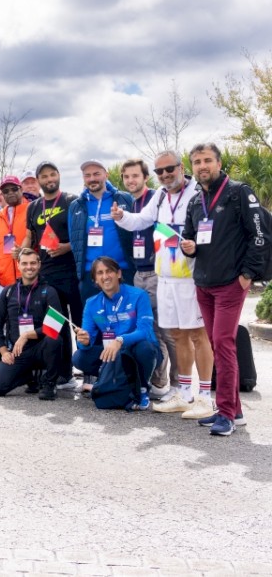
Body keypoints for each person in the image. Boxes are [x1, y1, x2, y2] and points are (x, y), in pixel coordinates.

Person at [113, 151, 212, 417]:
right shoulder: (159, 195)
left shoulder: (198, 192)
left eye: (170, 169)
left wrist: (197, 245)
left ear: (181, 167)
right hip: (166, 275)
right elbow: (141, 221)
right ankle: (184, 391)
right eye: (160, 171)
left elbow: (211, 229)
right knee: (177, 334)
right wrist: (121, 215)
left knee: (197, 335)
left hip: (191, 275)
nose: (166, 175)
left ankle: (204, 395)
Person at [180, 142, 264, 436]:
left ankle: (226, 414)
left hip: (231, 283)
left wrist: (248, 274)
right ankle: (235, 410)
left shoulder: (239, 192)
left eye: (207, 160)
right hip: (203, 284)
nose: (202, 166)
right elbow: (188, 238)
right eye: (197, 162)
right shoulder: (194, 202)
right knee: (218, 345)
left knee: (223, 344)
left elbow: (260, 234)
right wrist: (187, 247)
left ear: (218, 162)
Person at [113, 157, 176, 399]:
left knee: (164, 330)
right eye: (126, 177)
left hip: (158, 271)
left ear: (145, 177)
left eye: (135, 176)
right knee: (148, 328)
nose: (131, 180)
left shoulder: (155, 199)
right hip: (139, 273)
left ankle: (170, 385)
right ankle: (155, 380)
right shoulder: (131, 203)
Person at [72, 257, 160, 410]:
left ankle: (143, 388)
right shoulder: (92, 303)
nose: (105, 276)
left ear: (118, 273)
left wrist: (120, 340)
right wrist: (83, 341)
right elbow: (87, 339)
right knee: (79, 357)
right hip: (112, 352)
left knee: (145, 349)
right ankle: (111, 380)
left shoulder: (139, 295)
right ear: (95, 279)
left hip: (135, 349)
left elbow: (145, 331)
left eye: (109, 271)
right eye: (100, 273)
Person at [22, 161, 80, 390]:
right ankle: (64, 374)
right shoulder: (33, 207)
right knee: (56, 325)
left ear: (59, 175)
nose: (49, 179)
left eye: (52, 174)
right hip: (47, 274)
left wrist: (66, 247)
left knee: (79, 322)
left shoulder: (71, 200)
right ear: (38, 181)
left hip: (71, 271)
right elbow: (30, 236)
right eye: (44, 176)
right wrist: (23, 250)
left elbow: (82, 235)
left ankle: (91, 372)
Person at [0, 249, 64, 400]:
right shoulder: (8, 292)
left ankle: (49, 383)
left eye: (33, 263)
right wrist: (4, 352)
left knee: (54, 338)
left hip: (41, 348)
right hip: (18, 351)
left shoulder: (49, 291)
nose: (29, 267)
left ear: (39, 265)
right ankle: (29, 377)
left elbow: (56, 325)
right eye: (25, 263)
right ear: (18, 265)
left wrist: (27, 335)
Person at [69, 159, 135, 303]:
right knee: (97, 323)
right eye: (87, 175)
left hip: (123, 271)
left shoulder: (124, 198)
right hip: (91, 276)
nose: (92, 179)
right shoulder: (76, 206)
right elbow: (75, 240)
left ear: (106, 175)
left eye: (96, 174)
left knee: (127, 320)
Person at [0, 175, 28, 288]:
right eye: (6, 191)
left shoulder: (32, 210)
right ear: (2, 194)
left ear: (21, 189)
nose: (10, 193)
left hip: (28, 276)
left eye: (14, 189)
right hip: (6, 280)